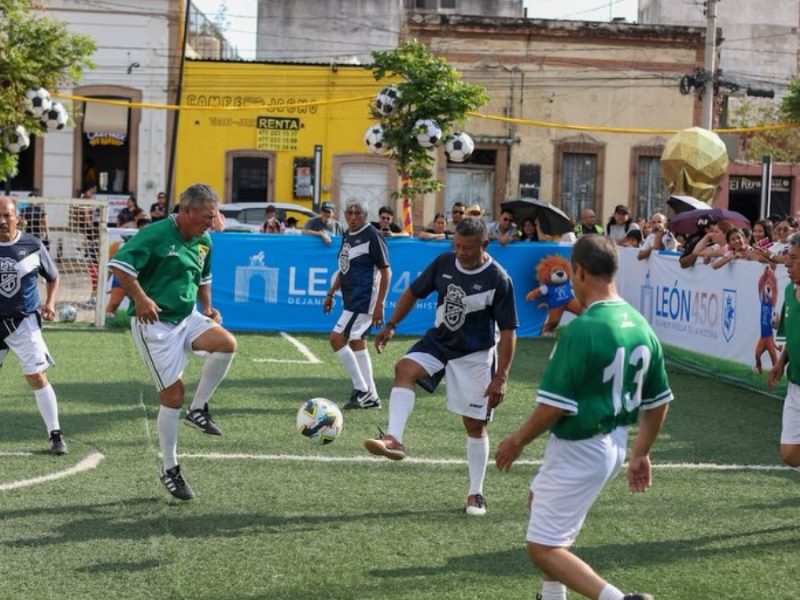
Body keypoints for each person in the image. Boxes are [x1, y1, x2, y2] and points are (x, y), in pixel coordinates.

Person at [495, 234, 672, 600]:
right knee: (537, 502)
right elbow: (658, 401)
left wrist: (515, 441)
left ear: (579, 271)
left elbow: (554, 406)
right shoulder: (640, 324)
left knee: (541, 547)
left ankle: (620, 599)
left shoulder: (582, 330)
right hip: (613, 444)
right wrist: (641, 452)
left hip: (580, 447)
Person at [365, 217, 518, 515]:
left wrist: (501, 377)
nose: (461, 252)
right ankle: (394, 439)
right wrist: (392, 325)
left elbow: (509, 332)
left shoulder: (499, 279)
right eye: (457, 245)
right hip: (439, 342)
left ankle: (476, 493)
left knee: (474, 425)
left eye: (468, 248)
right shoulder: (443, 263)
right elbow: (413, 292)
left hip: (475, 354)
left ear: (484, 245)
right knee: (404, 369)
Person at [108, 183, 238, 501]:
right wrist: (140, 299)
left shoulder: (205, 240)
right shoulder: (154, 234)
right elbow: (120, 266)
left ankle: (199, 409)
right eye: (208, 216)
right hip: (154, 326)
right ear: (186, 210)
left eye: (215, 216)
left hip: (185, 317)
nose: (212, 222)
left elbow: (203, 278)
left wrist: (207, 307)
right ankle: (170, 469)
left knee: (226, 343)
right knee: (172, 396)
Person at [0, 196, 67, 455]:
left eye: (7, 215)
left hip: (23, 322)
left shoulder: (32, 245)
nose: (2, 220)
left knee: (36, 376)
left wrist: (50, 303)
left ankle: (55, 434)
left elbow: (53, 276)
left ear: (17, 217)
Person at [323, 199, 391, 410]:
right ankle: (371, 396)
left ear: (365, 215)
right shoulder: (346, 235)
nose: (353, 217)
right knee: (356, 342)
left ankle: (362, 390)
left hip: (364, 300)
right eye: (349, 213)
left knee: (336, 338)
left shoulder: (372, 235)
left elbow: (386, 271)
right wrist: (332, 293)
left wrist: (380, 304)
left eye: (357, 213)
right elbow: (344, 267)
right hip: (351, 298)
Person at [769, 233, 800, 470]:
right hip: (795, 384)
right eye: (787, 258)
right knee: (789, 453)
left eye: (794, 258)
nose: (787, 264)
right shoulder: (790, 291)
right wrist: (780, 363)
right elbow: (791, 336)